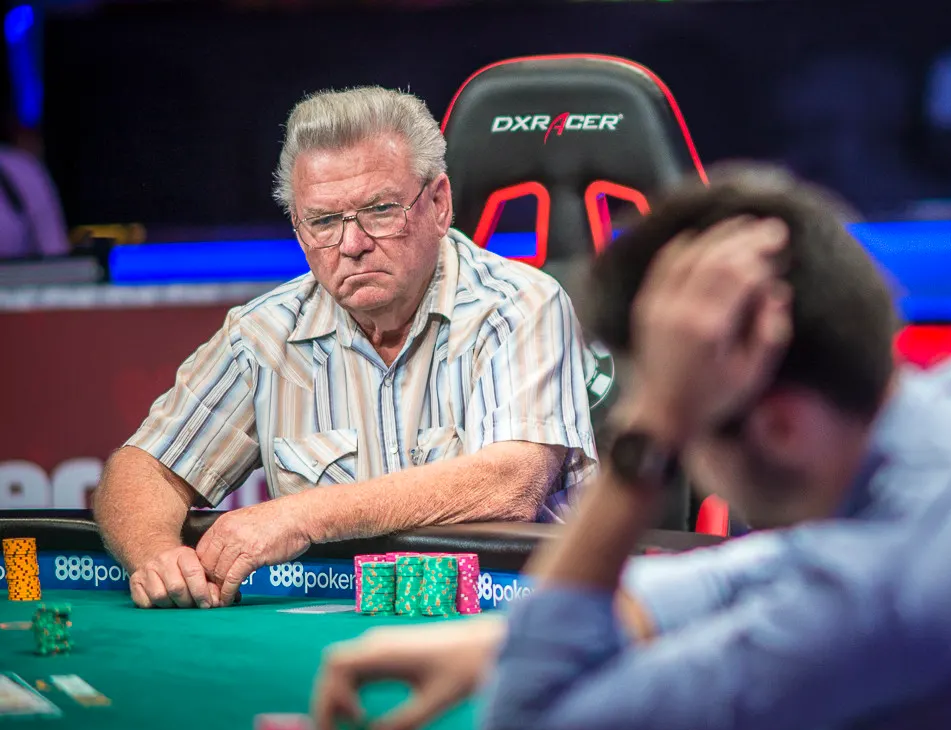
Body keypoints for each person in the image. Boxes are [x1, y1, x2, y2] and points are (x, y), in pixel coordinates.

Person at [311, 165, 951, 730]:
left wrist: (650, 430)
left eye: (678, 428)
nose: (678, 449)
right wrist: (499, 637)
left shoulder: (881, 595)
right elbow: (773, 568)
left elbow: (530, 707)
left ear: (774, 425)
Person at [93, 87, 597, 611]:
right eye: (324, 221)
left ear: (439, 204)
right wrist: (156, 554)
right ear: (298, 230)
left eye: (380, 210)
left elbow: (511, 484)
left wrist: (300, 516)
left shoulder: (520, 306)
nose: (352, 244)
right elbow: (142, 468)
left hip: (525, 617)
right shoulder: (262, 335)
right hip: (332, 634)